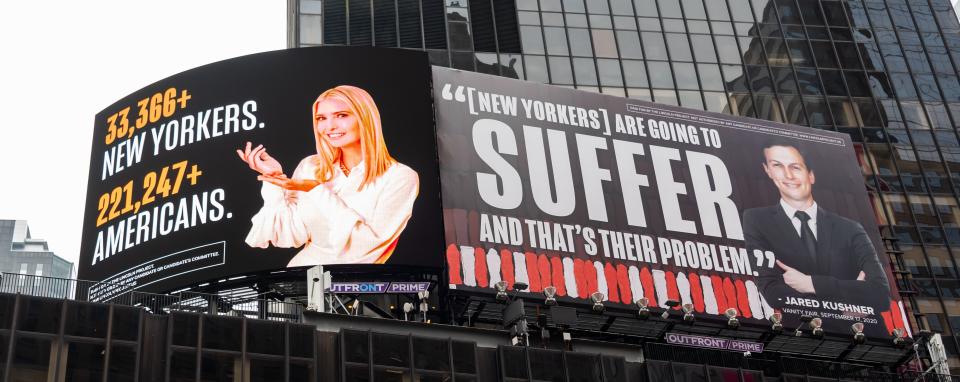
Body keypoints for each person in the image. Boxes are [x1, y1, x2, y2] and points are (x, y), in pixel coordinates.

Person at [237, 85, 419, 266]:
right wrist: (274, 179)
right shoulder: (310, 166)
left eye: (342, 115)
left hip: (354, 288)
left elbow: (365, 247)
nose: (329, 126)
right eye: (321, 118)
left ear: (365, 118)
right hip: (299, 280)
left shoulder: (400, 177)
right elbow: (292, 235)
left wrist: (318, 191)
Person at [742, 143, 889, 310]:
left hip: (864, 333)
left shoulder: (851, 229)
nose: (788, 175)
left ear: (810, 175)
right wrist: (851, 298)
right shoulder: (756, 220)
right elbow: (774, 295)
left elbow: (881, 295)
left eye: (795, 167)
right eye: (777, 165)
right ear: (767, 170)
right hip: (801, 331)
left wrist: (811, 283)